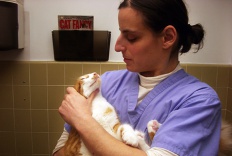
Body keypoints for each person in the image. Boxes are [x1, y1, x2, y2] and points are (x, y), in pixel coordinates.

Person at [53, 0, 221, 155]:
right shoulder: (106, 83)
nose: (118, 46)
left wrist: (83, 121)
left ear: (167, 37)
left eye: (131, 37)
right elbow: (61, 149)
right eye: (120, 33)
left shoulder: (199, 101)